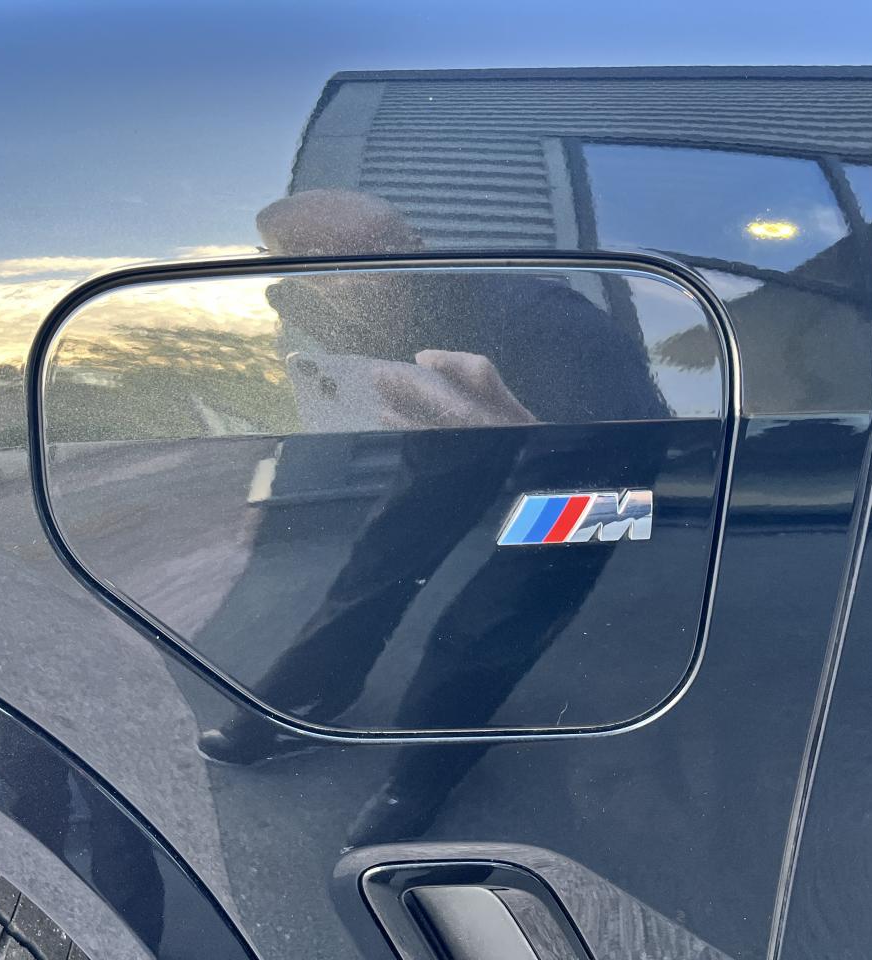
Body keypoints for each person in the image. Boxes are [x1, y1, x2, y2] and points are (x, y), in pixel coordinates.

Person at [198, 190, 666, 842]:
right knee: (382, 557)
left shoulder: (549, 316)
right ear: (278, 261)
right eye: (313, 261)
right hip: (456, 418)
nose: (349, 279)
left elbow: (639, 421)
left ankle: (425, 770)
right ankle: (308, 694)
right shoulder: (302, 300)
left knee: (509, 604)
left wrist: (562, 479)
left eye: (373, 255)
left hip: (607, 449)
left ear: (414, 246)